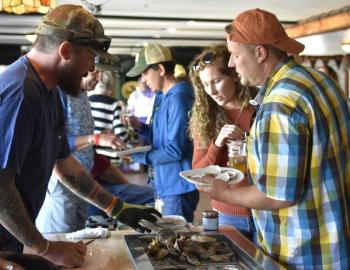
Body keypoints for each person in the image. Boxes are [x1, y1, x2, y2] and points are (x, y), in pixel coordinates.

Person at [0, 5, 159, 269]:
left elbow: (64, 163)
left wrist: (116, 208)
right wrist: (45, 248)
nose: (92, 68)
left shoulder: (49, 92)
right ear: (65, 50)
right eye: (91, 57)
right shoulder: (21, 93)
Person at [198, 8, 350, 269]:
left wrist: (222, 192)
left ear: (260, 52)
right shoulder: (322, 81)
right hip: (337, 239)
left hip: (303, 251)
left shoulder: (279, 103)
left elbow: (278, 196)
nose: (232, 64)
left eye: (235, 55)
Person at [36, 70, 155, 233]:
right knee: (61, 238)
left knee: (79, 237)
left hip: (84, 181)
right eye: (94, 72)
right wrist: (95, 138)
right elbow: (55, 145)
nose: (99, 78)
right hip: (62, 183)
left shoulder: (84, 96)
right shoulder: (61, 95)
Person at [188, 44, 257, 242]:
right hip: (227, 214)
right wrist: (217, 144)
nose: (211, 90)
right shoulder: (206, 118)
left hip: (265, 212)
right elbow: (198, 175)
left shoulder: (259, 109)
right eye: (205, 84)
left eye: (216, 81)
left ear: (235, 75)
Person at [125, 44, 199, 222]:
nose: (142, 79)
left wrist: (136, 157)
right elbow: (163, 139)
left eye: (144, 73)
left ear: (160, 69)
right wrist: (140, 127)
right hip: (166, 184)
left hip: (177, 188)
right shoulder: (166, 97)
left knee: (174, 244)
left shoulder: (179, 99)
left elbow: (175, 150)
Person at [89, 70, 129, 140]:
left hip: (87, 147)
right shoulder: (115, 104)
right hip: (105, 149)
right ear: (111, 86)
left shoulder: (87, 101)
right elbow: (121, 136)